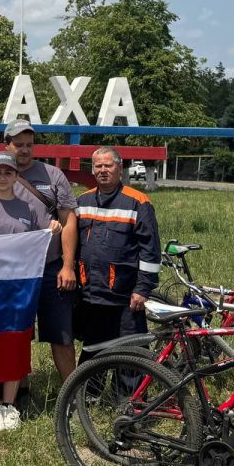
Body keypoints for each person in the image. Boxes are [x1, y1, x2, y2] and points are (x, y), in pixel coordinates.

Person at [0, 119, 79, 386]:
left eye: (29, 145)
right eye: (18, 144)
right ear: (6, 145)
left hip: (49, 266)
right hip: (9, 272)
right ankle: (18, 389)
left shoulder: (53, 175)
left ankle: (72, 392)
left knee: (61, 333)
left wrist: (67, 266)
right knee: (15, 332)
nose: (24, 150)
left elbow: (69, 220)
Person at [0, 151, 60, 431]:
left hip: (19, 289)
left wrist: (52, 228)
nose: (2, 177)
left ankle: (9, 404)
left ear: (16, 176)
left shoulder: (28, 209)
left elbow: (37, 241)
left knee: (15, 343)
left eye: (8, 172)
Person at [75, 147, 161, 364]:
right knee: (93, 353)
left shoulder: (138, 202)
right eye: (98, 166)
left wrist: (142, 289)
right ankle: (90, 387)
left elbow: (150, 250)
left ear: (119, 168)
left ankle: (129, 388)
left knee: (131, 355)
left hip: (126, 297)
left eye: (108, 165)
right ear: (92, 170)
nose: (103, 170)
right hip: (92, 295)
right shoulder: (82, 201)